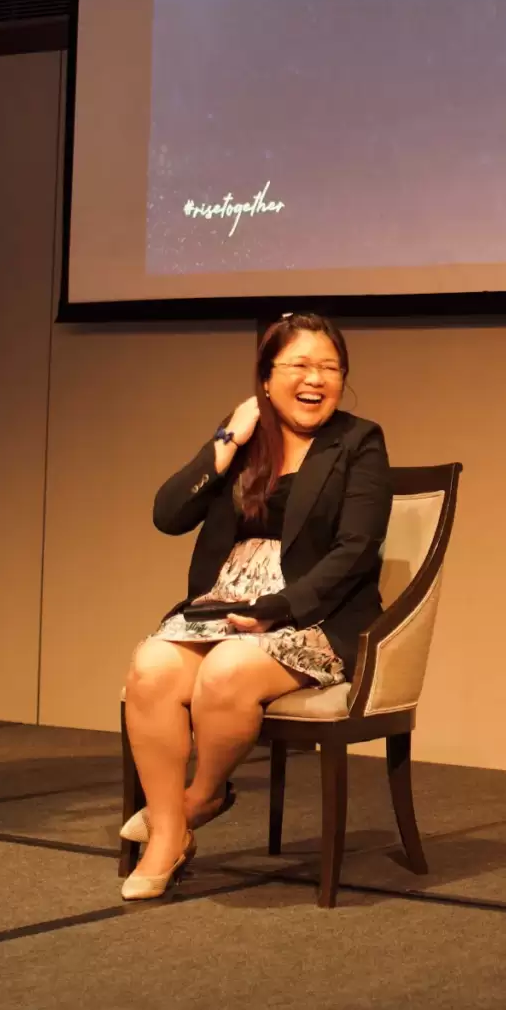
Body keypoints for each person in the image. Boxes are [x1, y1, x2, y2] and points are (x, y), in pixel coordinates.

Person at [117, 313, 391, 901]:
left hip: (314, 614)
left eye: (329, 368)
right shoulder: (244, 439)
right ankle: (169, 835)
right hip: (222, 607)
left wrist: (278, 608)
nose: (315, 379)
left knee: (227, 671)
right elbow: (168, 515)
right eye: (300, 366)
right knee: (150, 667)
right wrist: (227, 439)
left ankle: (200, 799)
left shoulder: (358, 441)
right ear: (266, 379)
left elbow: (356, 549)